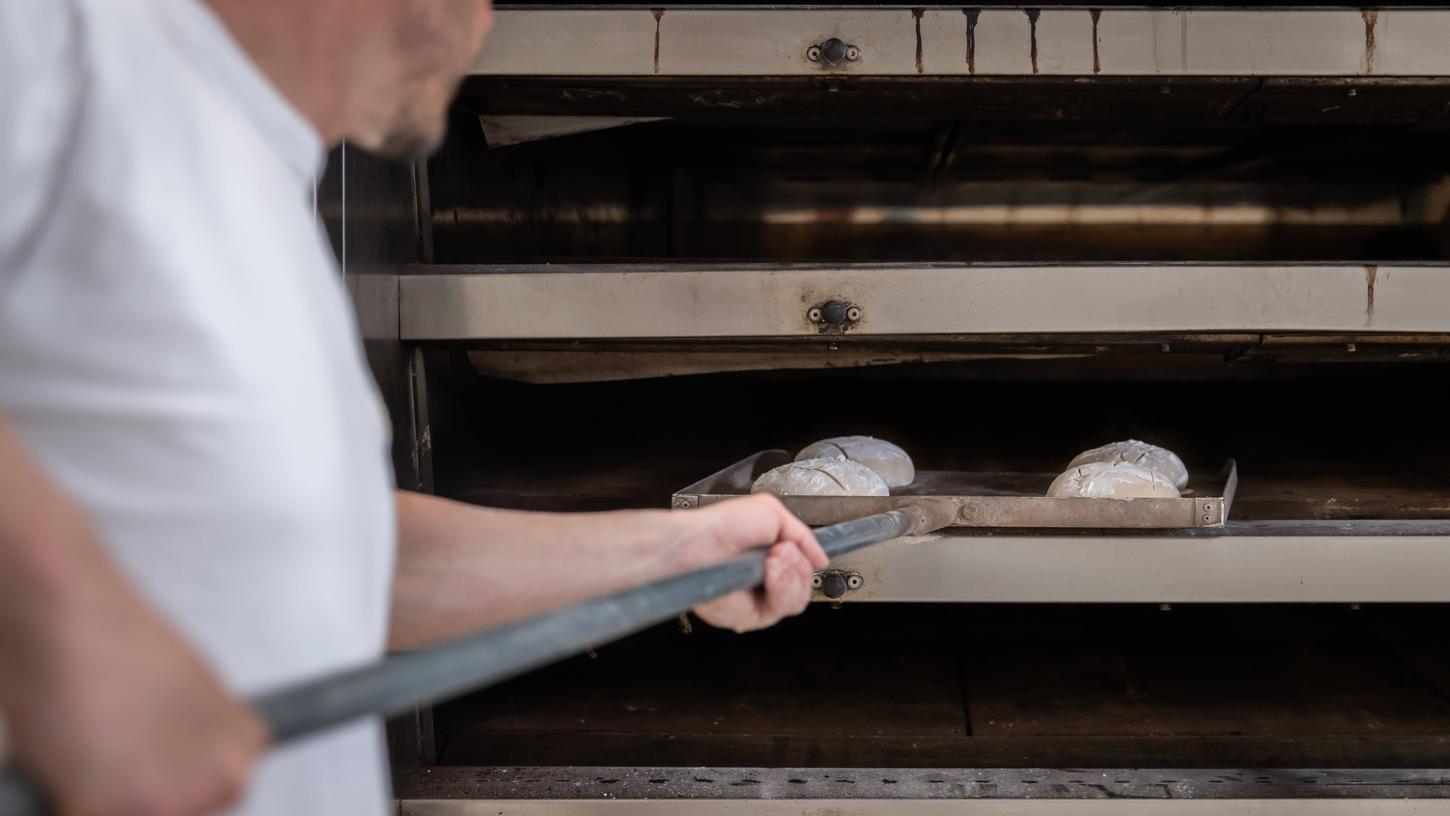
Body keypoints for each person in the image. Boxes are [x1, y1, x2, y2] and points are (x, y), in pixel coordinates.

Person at [0, 1, 828, 814]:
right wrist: (83, 637)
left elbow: (341, 567)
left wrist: (677, 551)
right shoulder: (70, 38)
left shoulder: (263, 168)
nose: (483, 25)